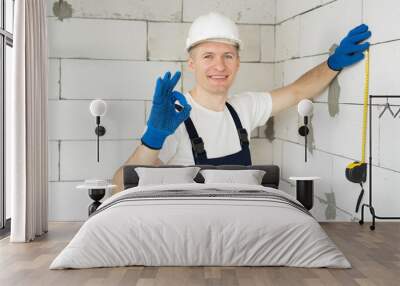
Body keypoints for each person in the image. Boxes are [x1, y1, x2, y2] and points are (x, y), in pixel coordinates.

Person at [112, 12, 371, 193]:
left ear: (237, 62)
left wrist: (333, 63)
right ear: (191, 64)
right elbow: (119, 188)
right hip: (190, 231)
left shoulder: (243, 108)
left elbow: (297, 92)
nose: (219, 66)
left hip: (242, 228)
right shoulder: (172, 118)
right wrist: (154, 137)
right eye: (208, 56)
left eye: (228, 56)